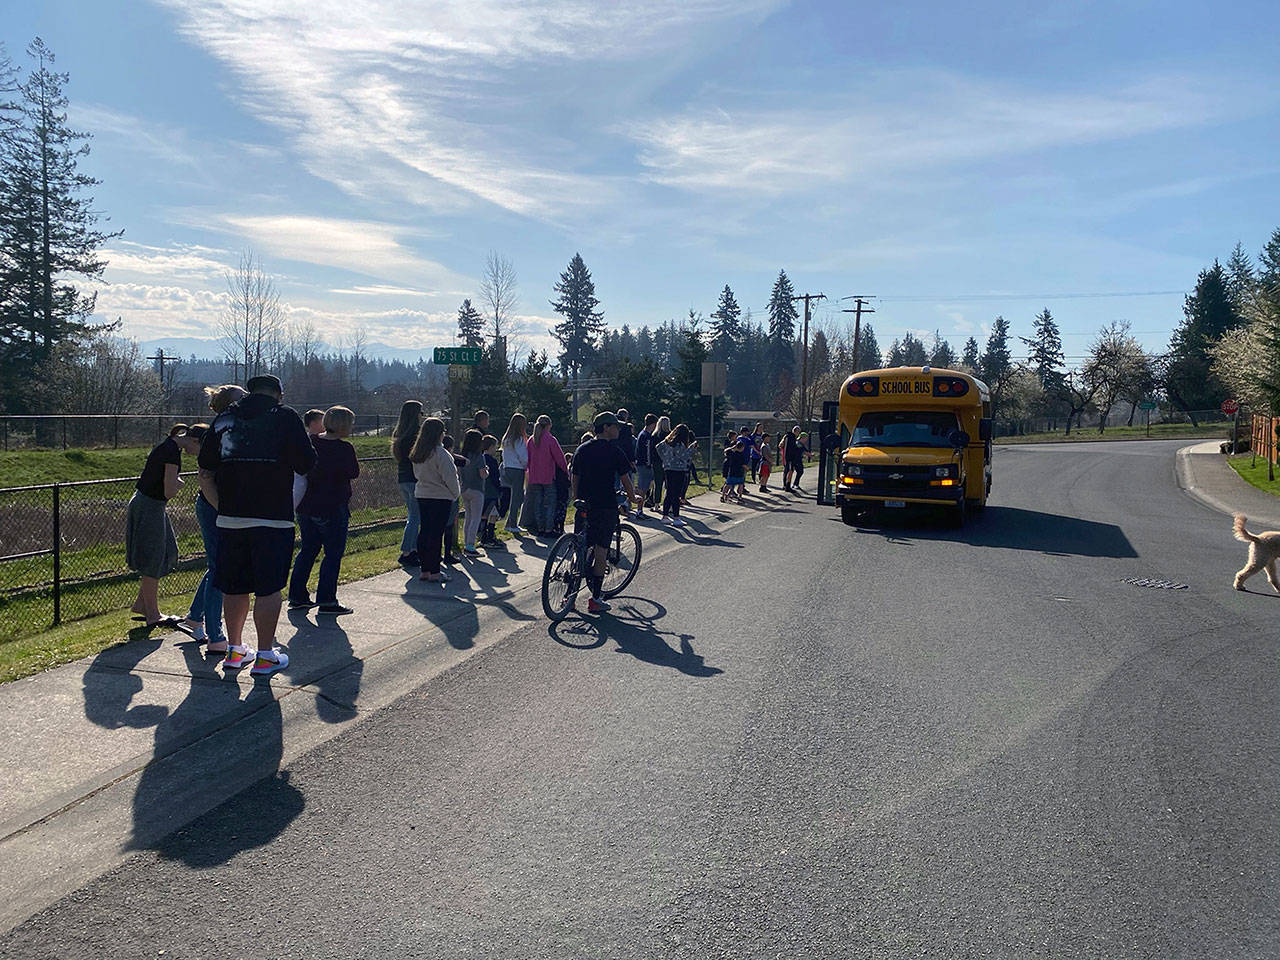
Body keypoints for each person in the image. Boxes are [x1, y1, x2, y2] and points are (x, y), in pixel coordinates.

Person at [197, 374, 316, 677]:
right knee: (268, 587)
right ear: (279, 394)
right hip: (273, 517)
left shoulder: (225, 418)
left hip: (230, 517)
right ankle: (265, 656)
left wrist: (220, 506)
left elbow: (205, 469)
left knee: (233, 587)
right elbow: (307, 463)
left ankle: (235, 651)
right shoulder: (285, 417)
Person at [181, 383, 248, 647]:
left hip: (225, 507)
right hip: (214, 506)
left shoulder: (236, 431)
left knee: (217, 566)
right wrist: (222, 509)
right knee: (220, 569)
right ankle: (215, 635)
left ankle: (195, 617)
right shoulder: (217, 435)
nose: (247, 402)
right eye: (241, 399)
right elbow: (205, 477)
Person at [127, 423, 203, 629]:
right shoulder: (171, 453)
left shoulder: (170, 446)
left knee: (167, 551)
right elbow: (169, 490)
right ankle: (153, 614)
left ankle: (142, 604)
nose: (197, 454)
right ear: (195, 441)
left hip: (152, 505)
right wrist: (179, 483)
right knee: (154, 557)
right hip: (149, 506)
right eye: (200, 449)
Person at [288, 405, 360, 614]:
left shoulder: (311, 442)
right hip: (332, 506)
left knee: (308, 550)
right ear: (343, 425)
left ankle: (297, 595)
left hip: (307, 505)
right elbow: (353, 472)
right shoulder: (344, 448)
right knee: (332, 554)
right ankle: (327, 599)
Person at [571, 412, 641, 615]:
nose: (619, 430)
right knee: (601, 549)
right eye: (616, 426)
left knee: (580, 546)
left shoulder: (582, 449)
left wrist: (577, 498)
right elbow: (625, 479)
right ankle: (595, 598)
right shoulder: (614, 451)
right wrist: (632, 497)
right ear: (606, 428)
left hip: (584, 504)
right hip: (605, 505)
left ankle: (571, 595)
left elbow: (574, 475)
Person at [409, 417, 461, 583]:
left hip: (423, 494)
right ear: (439, 433)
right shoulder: (441, 454)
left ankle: (425, 569)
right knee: (436, 534)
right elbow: (450, 478)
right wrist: (455, 494)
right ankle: (435, 571)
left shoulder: (419, 452)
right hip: (440, 496)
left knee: (424, 531)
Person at [391, 400, 424, 566]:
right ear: (415, 414)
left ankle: (413, 549)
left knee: (413, 515)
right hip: (414, 479)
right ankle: (407, 551)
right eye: (421, 413)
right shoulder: (415, 435)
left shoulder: (400, 434)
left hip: (403, 478)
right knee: (415, 516)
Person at [525, 414, 568, 536]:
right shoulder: (550, 440)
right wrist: (565, 471)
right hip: (548, 476)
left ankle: (540, 528)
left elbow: (527, 459)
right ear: (549, 425)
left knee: (538, 503)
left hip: (534, 476)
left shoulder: (531, 441)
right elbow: (560, 458)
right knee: (549, 504)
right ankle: (549, 529)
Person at [656, 423, 696, 527]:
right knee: (676, 493)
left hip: (668, 468)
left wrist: (665, 459)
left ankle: (665, 516)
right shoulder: (680, 444)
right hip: (678, 470)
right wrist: (692, 448)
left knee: (669, 492)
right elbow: (684, 456)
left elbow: (658, 447)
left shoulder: (667, 442)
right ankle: (676, 517)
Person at [457, 428, 488, 556]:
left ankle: (466, 543)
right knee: (476, 518)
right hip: (477, 489)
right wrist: (487, 470)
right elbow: (483, 475)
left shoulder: (462, 455)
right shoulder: (479, 457)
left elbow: (459, 472)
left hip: (465, 488)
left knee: (468, 517)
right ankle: (470, 546)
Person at [500, 413, 529, 535]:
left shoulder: (506, 439)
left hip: (507, 468)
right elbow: (523, 456)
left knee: (514, 496)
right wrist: (526, 465)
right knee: (517, 497)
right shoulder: (519, 439)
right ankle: (512, 524)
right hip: (517, 468)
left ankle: (510, 523)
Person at [293, 409, 326, 509]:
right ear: (313, 423)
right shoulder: (303, 441)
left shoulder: (325, 441)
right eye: (322, 420)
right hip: (301, 483)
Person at [442, 434, 464, 563]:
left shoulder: (432, 455)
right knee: (449, 526)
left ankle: (436, 554)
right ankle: (447, 553)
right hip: (450, 496)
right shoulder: (448, 459)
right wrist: (456, 493)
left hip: (436, 496)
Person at [631, 413, 658, 520]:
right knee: (643, 488)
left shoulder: (642, 434)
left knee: (645, 487)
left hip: (641, 464)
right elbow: (646, 452)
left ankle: (638, 503)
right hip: (644, 465)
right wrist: (648, 463)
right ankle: (639, 510)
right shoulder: (646, 436)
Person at [480, 435, 502, 546]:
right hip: (492, 491)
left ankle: (483, 536)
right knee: (493, 514)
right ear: (490, 447)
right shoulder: (492, 461)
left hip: (483, 491)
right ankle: (489, 536)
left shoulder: (481, 458)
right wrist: (499, 488)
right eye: (495, 446)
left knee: (484, 514)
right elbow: (495, 477)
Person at [650, 415, 671, 510]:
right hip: (668, 462)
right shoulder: (670, 436)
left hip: (657, 462)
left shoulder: (654, 436)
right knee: (668, 484)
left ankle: (656, 504)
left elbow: (651, 451)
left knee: (658, 483)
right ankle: (669, 504)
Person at [722, 438, 747, 503]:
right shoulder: (741, 455)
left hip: (731, 471)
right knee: (741, 484)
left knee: (728, 484)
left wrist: (732, 447)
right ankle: (740, 497)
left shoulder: (732, 453)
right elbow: (743, 464)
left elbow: (725, 451)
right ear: (741, 448)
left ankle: (723, 496)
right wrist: (747, 468)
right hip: (739, 472)